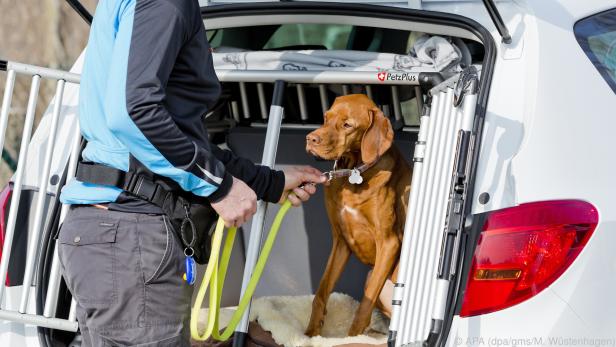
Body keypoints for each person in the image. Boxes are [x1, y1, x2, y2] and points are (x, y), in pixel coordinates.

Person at [57, 0, 325, 345]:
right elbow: (133, 114)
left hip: (103, 234)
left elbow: (172, 138)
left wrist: (268, 182)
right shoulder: (167, 3)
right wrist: (219, 187)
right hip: (133, 238)